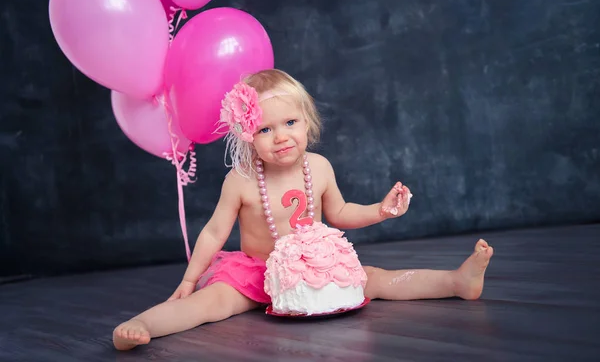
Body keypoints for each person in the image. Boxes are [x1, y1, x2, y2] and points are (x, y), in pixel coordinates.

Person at [113, 69, 494, 351]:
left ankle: (456, 282)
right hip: (255, 273)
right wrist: (188, 279)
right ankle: (141, 324)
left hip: (313, 271)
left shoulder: (320, 167)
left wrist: (381, 211)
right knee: (210, 304)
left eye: (290, 123)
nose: (280, 137)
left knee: (376, 279)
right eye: (265, 130)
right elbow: (214, 232)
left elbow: (341, 213)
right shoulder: (242, 180)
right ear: (248, 137)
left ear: (307, 123)